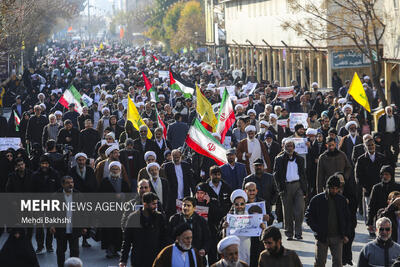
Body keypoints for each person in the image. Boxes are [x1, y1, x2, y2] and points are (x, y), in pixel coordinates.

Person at [305, 175, 350, 267]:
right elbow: (308, 216)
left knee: (337, 263)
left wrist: (346, 234)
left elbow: (347, 218)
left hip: (337, 237)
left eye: (336, 188)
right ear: (327, 187)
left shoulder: (341, 200)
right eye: (332, 188)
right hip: (322, 237)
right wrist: (317, 230)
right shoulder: (317, 200)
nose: (334, 190)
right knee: (320, 263)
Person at [119, 192, 168, 267]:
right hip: (138, 259)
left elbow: (164, 238)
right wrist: (123, 260)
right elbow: (127, 241)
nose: (155, 206)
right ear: (145, 204)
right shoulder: (133, 218)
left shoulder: (159, 217)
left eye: (156, 204)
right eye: (153, 204)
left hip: (155, 259)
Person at [50, 176, 87, 267]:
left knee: (75, 251)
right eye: (67, 182)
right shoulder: (55, 196)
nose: (70, 184)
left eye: (72, 182)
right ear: (62, 184)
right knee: (60, 252)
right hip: (61, 229)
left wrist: (85, 226)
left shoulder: (79, 195)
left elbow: (84, 212)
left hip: (74, 228)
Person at [273, 139, 307, 240]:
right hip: (286, 187)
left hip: (298, 186)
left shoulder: (300, 159)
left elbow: (303, 175)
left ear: (294, 147)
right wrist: (280, 189)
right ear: (284, 147)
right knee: (287, 211)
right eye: (287, 146)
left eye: (291, 146)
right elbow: (276, 175)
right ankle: (289, 233)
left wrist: (305, 189)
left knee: (299, 210)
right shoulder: (279, 159)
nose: (289, 148)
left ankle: (298, 232)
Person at [169, 197, 210, 261]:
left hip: (196, 257)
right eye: (184, 205)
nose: (185, 208)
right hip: (179, 257)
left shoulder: (201, 221)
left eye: (188, 205)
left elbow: (207, 239)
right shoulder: (174, 219)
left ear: (194, 208)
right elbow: (169, 237)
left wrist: (204, 249)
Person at [368, 165, 400, 236]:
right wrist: (369, 223)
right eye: (383, 174)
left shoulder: (397, 187)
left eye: (387, 174)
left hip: (395, 220)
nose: (384, 176)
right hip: (381, 218)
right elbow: (371, 206)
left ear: (391, 175)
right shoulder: (376, 188)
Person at [162, 149, 195, 216]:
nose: (176, 159)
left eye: (177, 157)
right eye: (174, 157)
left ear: (181, 156)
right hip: (172, 195)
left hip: (184, 193)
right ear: (171, 157)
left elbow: (190, 180)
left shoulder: (186, 165)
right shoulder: (167, 166)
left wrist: (194, 192)